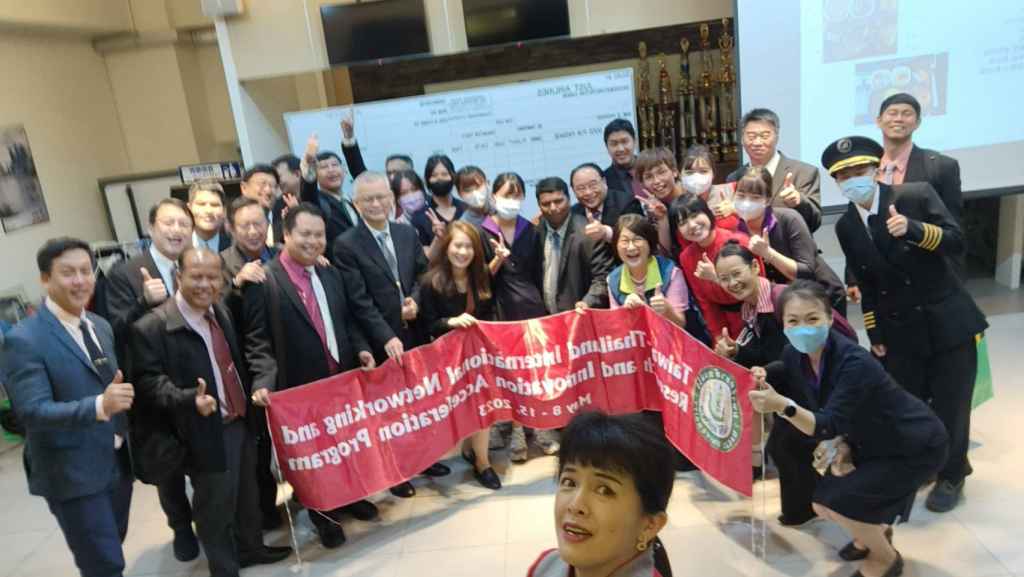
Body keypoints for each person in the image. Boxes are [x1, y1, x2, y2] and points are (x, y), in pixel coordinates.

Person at [824, 135, 987, 513]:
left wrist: (914, 229)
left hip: (946, 322)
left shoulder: (915, 195)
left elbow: (957, 241)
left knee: (951, 404)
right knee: (910, 406)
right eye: (844, 175)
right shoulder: (846, 225)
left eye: (860, 170)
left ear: (876, 169)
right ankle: (926, 464)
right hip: (898, 330)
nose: (853, 179)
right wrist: (875, 332)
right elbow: (866, 282)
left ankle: (952, 474)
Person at [749, 280, 949, 577]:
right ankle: (875, 533)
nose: (803, 328)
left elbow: (826, 425)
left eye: (812, 319)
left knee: (840, 504)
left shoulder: (854, 361)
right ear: (784, 324)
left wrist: (783, 406)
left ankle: (886, 559)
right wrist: (762, 372)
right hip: (869, 439)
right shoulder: (794, 353)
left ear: (830, 318)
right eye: (793, 321)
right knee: (824, 504)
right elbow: (787, 369)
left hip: (913, 444)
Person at [130, 248, 290, 577]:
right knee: (214, 506)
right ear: (178, 277)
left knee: (247, 494)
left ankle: (251, 549)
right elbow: (148, 383)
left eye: (213, 277)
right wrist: (189, 399)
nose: (205, 284)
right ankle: (224, 568)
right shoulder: (152, 327)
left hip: (240, 419)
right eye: (196, 276)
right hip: (201, 430)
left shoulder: (219, 310)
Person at [242, 203, 379, 548]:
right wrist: (263, 382)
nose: (313, 241)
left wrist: (361, 349)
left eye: (319, 235)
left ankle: (351, 497)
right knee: (313, 459)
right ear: (286, 235)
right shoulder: (264, 280)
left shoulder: (330, 273)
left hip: (340, 381)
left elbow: (345, 320)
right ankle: (323, 514)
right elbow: (257, 341)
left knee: (345, 446)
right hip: (298, 389)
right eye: (305, 234)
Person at [2, 238, 134, 577]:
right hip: (71, 471)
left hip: (115, 460)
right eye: (68, 273)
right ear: (45, 279)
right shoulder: (24, 339)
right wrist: (99, 406)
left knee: (113, 543)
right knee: (104, 563)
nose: (80, 281)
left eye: (86, 271)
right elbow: (32, 412)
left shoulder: (100, 325)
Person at [713, 242, 854, 524]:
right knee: (785, 446)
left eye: (737, 273)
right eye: (724, 278)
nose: (732, 283)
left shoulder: (782, 300)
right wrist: (737, 351)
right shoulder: (751, 308)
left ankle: (828, 510)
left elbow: (800, 353)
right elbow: (773, 354)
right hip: (798, 384)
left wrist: (765, 372)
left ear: (755, 267)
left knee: (798, 446)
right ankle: (803, 510)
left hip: (825, 385)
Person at [333, 171, 451, 497]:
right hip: (380, 341)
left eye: (381, 197)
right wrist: (386, 334)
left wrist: (414, 300)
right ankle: (397, 472)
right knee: (388, 411)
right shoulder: (346, 245)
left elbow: (422, 274)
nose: (376, 204)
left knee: (418, 403)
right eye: (368, 199)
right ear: (356, 204)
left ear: (391, 199)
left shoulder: (406, 232)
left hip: (415, 333)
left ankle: (425, 459)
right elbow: (358, 300)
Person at [99, 198, 199, 561]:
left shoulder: (194, 264)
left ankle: (210, 521)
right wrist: (143, 301)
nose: (176, 230)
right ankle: (181, 527)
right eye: (168, 223)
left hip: (195, 374)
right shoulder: (124, 273)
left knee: (202, 454)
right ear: (151, 227)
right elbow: (113, 328)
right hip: (151, 381)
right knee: (167, 463)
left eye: (183, 224)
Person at [527, 411, 674, 577]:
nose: (575, 505)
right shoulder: (545, 566)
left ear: (650, 525)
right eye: (570, 482)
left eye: (604, 490)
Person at [418, 222, 502, 491]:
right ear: (447, 247)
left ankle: (482, 463)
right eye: (458, 245)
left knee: (483, 405)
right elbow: (428, 324)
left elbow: (489, 312)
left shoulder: (482, 276)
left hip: (477, 355)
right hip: (447, 360)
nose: (463, 252)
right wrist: (451, 322)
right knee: (463, 406)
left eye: (469, 247)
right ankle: (468, 448)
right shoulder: (430, 282)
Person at [479, 172, 554, 461]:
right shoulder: (482, 232)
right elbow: (479, 280)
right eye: (505, 195)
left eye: (516, 195)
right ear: (493, 196)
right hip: (499, 311)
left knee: (535, 370)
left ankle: (541, 429)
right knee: (508, 374)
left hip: (531, 308)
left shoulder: (531, 231)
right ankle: (517, 431)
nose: (510, 200)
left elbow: (538, 272)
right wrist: (498, 259)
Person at [218, 196, 280, 529]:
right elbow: (213, 312)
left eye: (259, 224)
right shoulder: (221, 263)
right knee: (259, 447)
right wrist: (235, 284)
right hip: (250, 368)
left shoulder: (280, 253)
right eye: (245, 226)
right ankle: (265, 513)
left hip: (288, 361)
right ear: (231, 228)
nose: (254, 231)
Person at [732, 167, 846, 316]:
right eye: (741, 195)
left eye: (755, 197)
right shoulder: (733, 228)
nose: (746, 203)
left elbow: (806, 272)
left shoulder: (789, 219)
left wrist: (768, 253)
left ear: (767, 200)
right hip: (782, 304)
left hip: (821, 298)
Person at [671, 195, 756, 342]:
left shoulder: (739, 241)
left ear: (708, 213)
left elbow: (760, 290)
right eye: (683, 223)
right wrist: (719, 337)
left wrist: (716, 278)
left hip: (757, 318)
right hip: (727, 327)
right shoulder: (686, 257)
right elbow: (706, 303)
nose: (692, 225)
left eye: (695, 215)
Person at [727, 108, 823, 232]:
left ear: (777, 137)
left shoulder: (804, 172)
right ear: (742, 139)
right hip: (748, 243)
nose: (757, 142)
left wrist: (799, 202)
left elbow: (815, 222)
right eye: (751, 136)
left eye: (765, 136)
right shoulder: (735, 177)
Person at [536, 176, 614, 314]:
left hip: (581, 316)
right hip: (546, 318)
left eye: (558, 201)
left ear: (569, 199)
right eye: (546, 204)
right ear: (539, 205)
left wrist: (587, 302)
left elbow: (602, 279)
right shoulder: (535, 232)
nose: (553, 208)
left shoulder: (589, 233)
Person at [607, 214, 688, 330]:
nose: (631, 247)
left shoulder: (671, 272)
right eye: (624, 241)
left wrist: (667, 310)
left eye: (637, 239)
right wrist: (624, 312)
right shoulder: (613, 280)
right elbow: (617, 328)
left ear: (649, 242)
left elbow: (681, 324)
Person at [299, 133, 361, 248]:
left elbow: (362, 175)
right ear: (316, 174)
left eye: (335, 165)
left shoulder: (354, 201)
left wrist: (349, 138)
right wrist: (309, 163)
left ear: (344, 170)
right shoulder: (318, 202)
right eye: (323, 167)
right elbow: (308, 197)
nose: (331, 170)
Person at [569, 162, 643, 245]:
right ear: (573, 191)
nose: (588, 192)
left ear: (604, 182)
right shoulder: (573, 214)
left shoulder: (627, 203)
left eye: (593, 185)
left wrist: (606, 232)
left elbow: (638, 237)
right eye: (581, 188)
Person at [634, 147, 686, 255]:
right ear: (642, 183)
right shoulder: (650, 209)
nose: (656, 181)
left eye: (661, 172)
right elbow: (665, 253)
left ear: (675, 171)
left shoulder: (693, 194)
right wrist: (662, 218)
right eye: (649, 177)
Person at [679, 144, 739, 235]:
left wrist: (736, 208)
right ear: (680, 174)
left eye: (703, 171)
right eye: (689, 172)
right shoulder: (677, 203)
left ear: (713, 174)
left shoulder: (732, 190)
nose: (696, 177)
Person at [408, 154, 466, 247]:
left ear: (453, 176)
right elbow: (422, 254)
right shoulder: (420, 216)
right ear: (427, 180)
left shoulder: (466, 209)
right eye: (434, 175)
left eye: (444, 174)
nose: (439, 179)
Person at [240, 164, 285, 248]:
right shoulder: (230, 226)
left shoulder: (284, 224)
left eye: (273, 186)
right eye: (262, 184)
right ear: (244, 188)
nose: (268, 191)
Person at [603, 118, 645, 200]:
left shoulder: (650, 167)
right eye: (614, 144)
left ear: (635, 141)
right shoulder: (604, 181)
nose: (620, 149)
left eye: (625, 142)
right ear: (607, 147)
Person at [188, 179, 232, 253]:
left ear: (224, 211)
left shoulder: (236, 247)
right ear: (189, 208)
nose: (208, 211)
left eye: (214, 205)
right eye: (201, 204)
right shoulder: (178, 247)